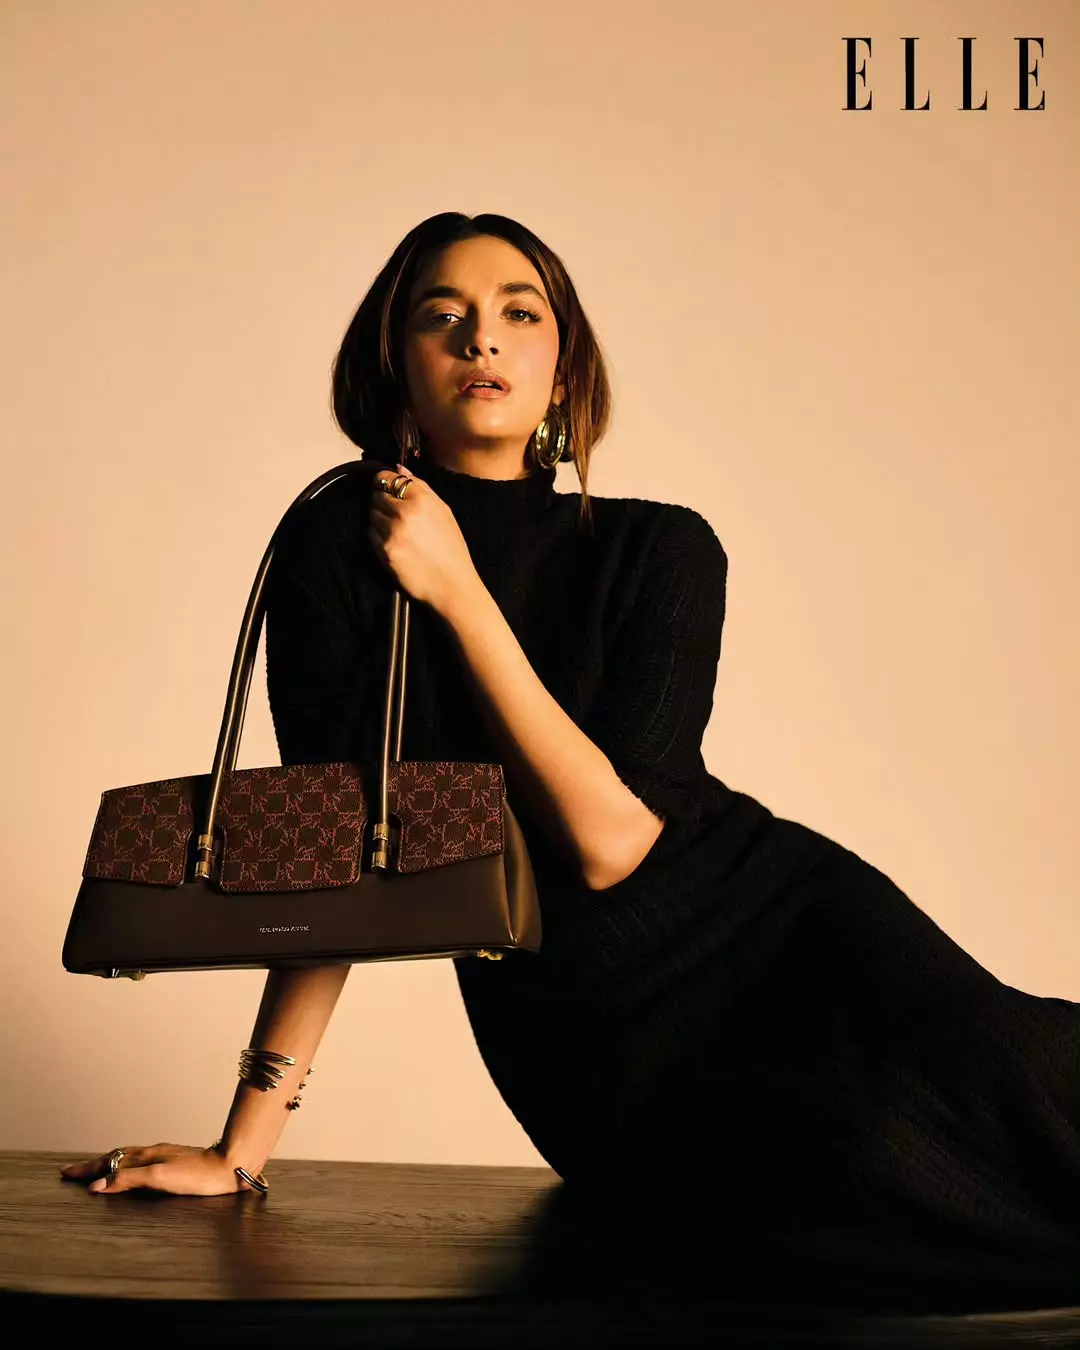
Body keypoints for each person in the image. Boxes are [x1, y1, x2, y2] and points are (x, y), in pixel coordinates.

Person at [61, 212, 1080, 1313]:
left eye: (519, 313)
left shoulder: (661, 548)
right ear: (396, 363)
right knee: (869, 1178)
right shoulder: (336, 552)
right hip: (597, 1043)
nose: (481, 339)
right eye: (442, 316)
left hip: (785, 926)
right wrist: (242, 1149)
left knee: (1028, 1080)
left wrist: (459, 591)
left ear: (564, 366)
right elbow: (340, 852)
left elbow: (612, 841)